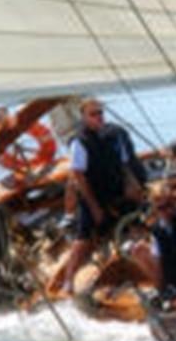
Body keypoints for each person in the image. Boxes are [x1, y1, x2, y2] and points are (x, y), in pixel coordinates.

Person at [56, 98, 146, 293]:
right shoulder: (80, 142)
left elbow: (124, 166)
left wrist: (134, 187)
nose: (99, 117)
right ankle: (68, 280)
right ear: (84, 117)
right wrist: (95, 207)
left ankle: (145, 266)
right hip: (93, 195)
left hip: (115, 189)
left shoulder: (113, 135)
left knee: (136, 223)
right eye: (93, 114)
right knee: (84, 240)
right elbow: (78, 176)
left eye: (100, 113)